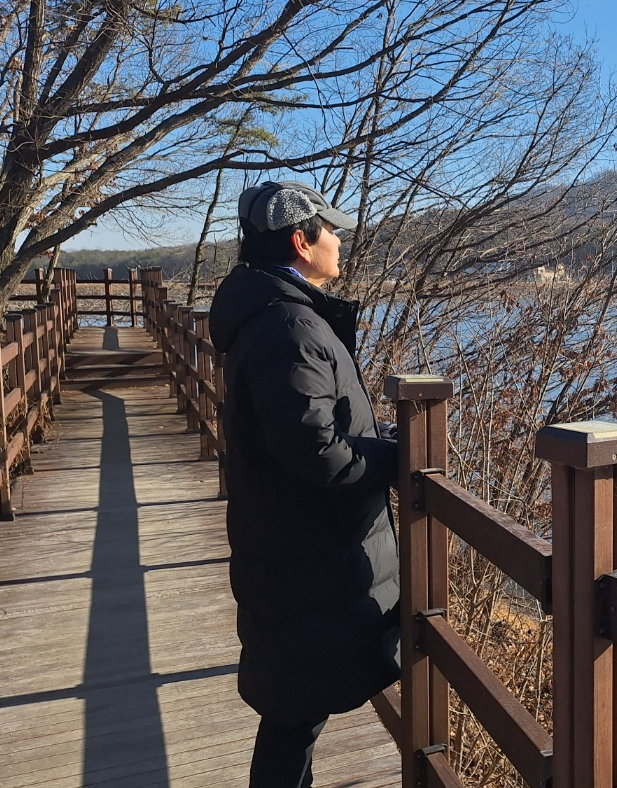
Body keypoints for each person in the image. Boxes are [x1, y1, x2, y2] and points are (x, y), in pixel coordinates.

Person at [209, 181, 400, 788]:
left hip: (288, 548)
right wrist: (397, 458)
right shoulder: (288, 325)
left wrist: (374, 438)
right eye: (332, 230)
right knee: (293, 715)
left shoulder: (274, 313)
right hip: (303, 557)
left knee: (293, 710)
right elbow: (316, 450)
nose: (339, 241)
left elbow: (310, 426)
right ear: (301, 240)